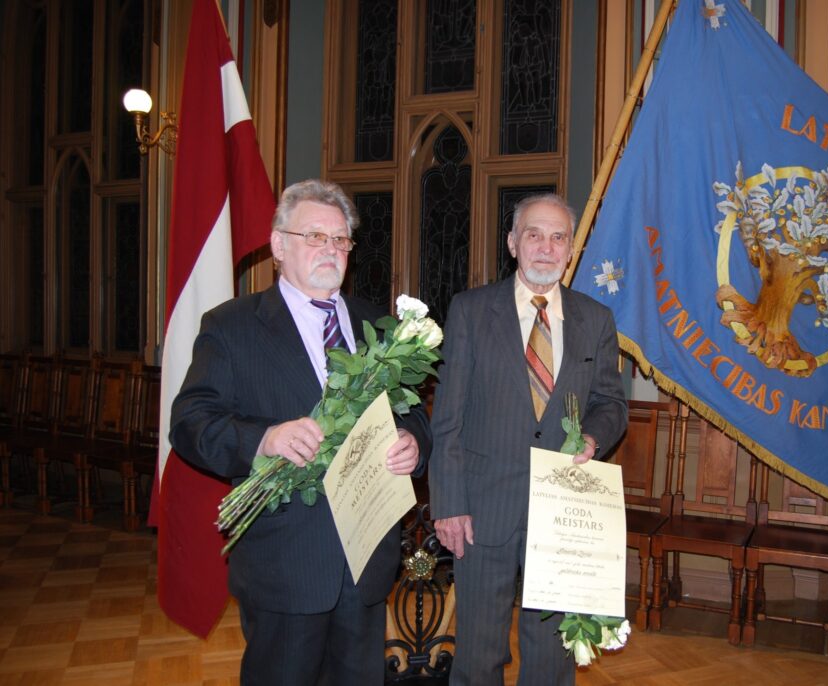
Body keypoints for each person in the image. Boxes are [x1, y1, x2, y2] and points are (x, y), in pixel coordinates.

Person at [170, 179, 431, 685]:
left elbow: (416, 411)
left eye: (340, 240)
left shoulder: (375, 323)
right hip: (285, 566)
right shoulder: (232, 325)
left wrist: (414, 442)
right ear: (278, 245)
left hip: (366, 560)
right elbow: (189, 422)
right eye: (315, 237)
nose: (330, 250)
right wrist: (264, 439)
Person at [429, 193, 627, 685]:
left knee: (549, 658)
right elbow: (447, 417)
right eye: (534, 234)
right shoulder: (471, 311)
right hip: (481, 508)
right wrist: (448, 502)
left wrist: (593, 440)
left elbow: (612, 403)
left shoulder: (594, 319)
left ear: (571, 249)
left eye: (558, 237)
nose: (545, 247)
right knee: (477, 654)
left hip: (562, 515)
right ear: (513, 243)